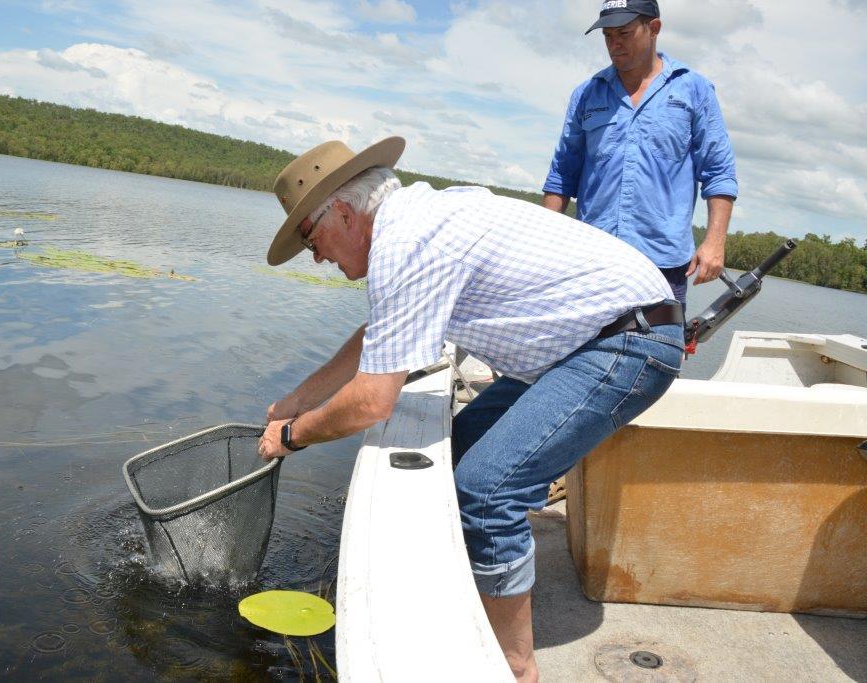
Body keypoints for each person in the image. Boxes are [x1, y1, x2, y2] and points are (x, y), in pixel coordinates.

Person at [257, 136, 685, 682]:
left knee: (486, 489)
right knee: (460, 449)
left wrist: (293, 435)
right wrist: (297, 399)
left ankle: (515, 666)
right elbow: (376, 337)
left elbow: (371, 401)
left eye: (312, 239)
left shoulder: (408, 240)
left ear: (342, 212)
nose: (316, 256)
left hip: (628, 341)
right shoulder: (410, 221)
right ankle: (474, 585)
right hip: (581, 344)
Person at [542, 0, 738, 306]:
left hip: (663, 265)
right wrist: (541, 238)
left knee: (656, 352)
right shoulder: (586, 94)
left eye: (624, 33)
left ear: (654, 28)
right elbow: (562, 172)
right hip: (590, 259)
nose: (614, 44)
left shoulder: (693, 89)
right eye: (608, 36)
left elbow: (718, 172)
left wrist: (714, 242)